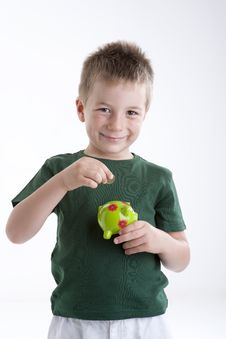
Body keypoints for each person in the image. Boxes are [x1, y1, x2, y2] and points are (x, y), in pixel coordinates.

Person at [6, 41, 190, 339]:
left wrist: (158, 240)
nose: (116, 124)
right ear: (81, 108)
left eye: (131, 112)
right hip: (75, 320)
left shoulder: (158, 178)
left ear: (145, 113)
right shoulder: (60, 169)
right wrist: (63, 182)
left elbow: (181, 259)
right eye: (104, 109)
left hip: (146, 321)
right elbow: (16, 232)